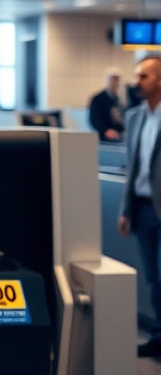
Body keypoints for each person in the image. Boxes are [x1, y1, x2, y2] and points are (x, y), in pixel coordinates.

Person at [118, 55, 161, 358]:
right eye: (136, 76)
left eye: (144, 76)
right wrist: (125, 209)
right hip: (143, 208)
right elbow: (131, 169)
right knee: (152, 277)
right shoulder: (134, 117)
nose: (136, 83)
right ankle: (159, 335)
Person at [89, 67, 125, 142]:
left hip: (122, 135)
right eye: (112, 79)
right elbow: (94, 119)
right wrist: (106, 130)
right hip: (105, 137)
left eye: (117, 79)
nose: (115, 82)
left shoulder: (122, 98)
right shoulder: (98, 99)